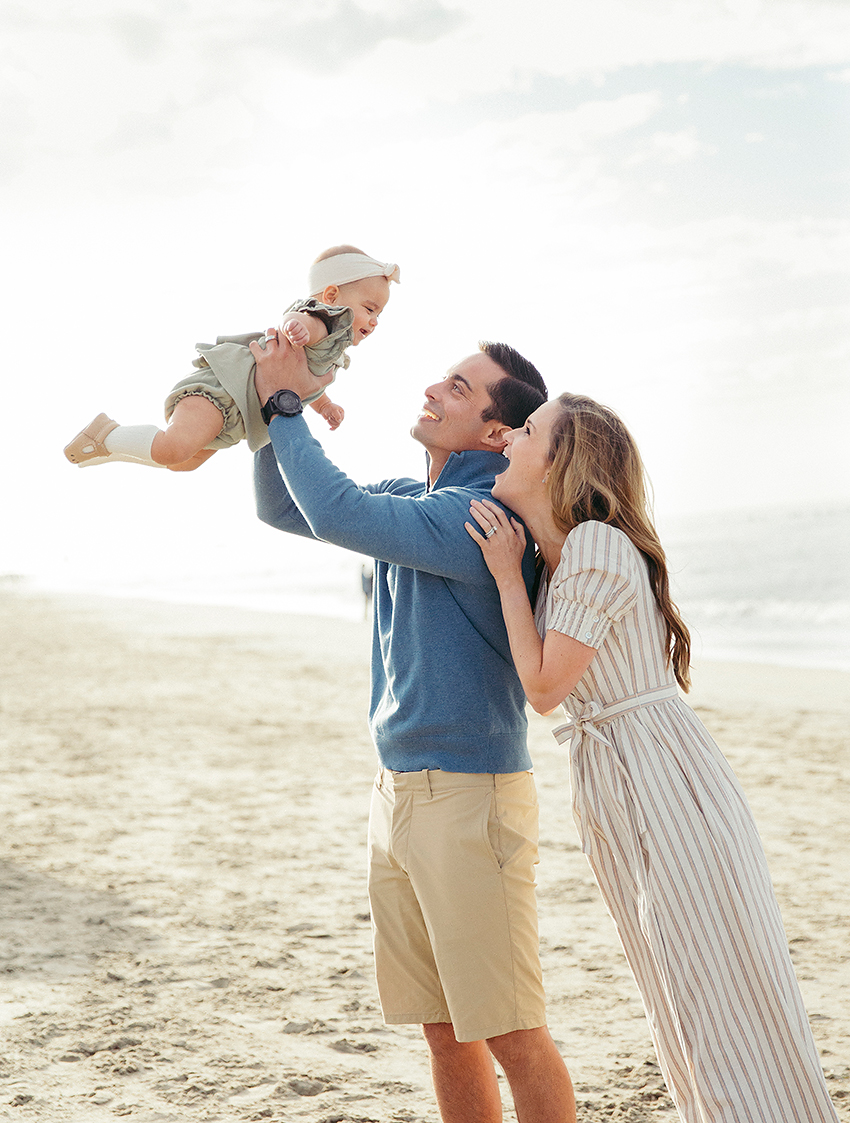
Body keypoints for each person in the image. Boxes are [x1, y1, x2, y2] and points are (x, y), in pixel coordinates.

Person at [465, 392, 839, 1123]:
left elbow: (544, 686)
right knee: (678, 991)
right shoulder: (562, 556)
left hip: (660, 774)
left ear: (562, 462)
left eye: (528, 429)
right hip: (616, 777)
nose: (510, 435)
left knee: (714, 989)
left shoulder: (597, 545)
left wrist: (508, 575)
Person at [252, 334, 577, 1123]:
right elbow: (284, 505)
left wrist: (285, 401)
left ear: (498, 432)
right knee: (444, 1029)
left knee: (512, 1035)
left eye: (460, 388)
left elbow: (334, 509)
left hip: (469, 801)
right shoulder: (419, 498)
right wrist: (271, 414)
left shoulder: (478, 514)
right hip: (399, 791)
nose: (435, 387)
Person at [62, 245, 399, 472]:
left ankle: (109, 449)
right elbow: (296, 321)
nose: (374, 321)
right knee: (174, 449)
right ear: (331, 296)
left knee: (184, 463)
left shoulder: (331, 353)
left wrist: (324, 406)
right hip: (222, 393)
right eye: (370, 309)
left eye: (379, 314)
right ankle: (106, 433)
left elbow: (304, 381)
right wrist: (296, 329)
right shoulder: (322, 320)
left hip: (237, 417)